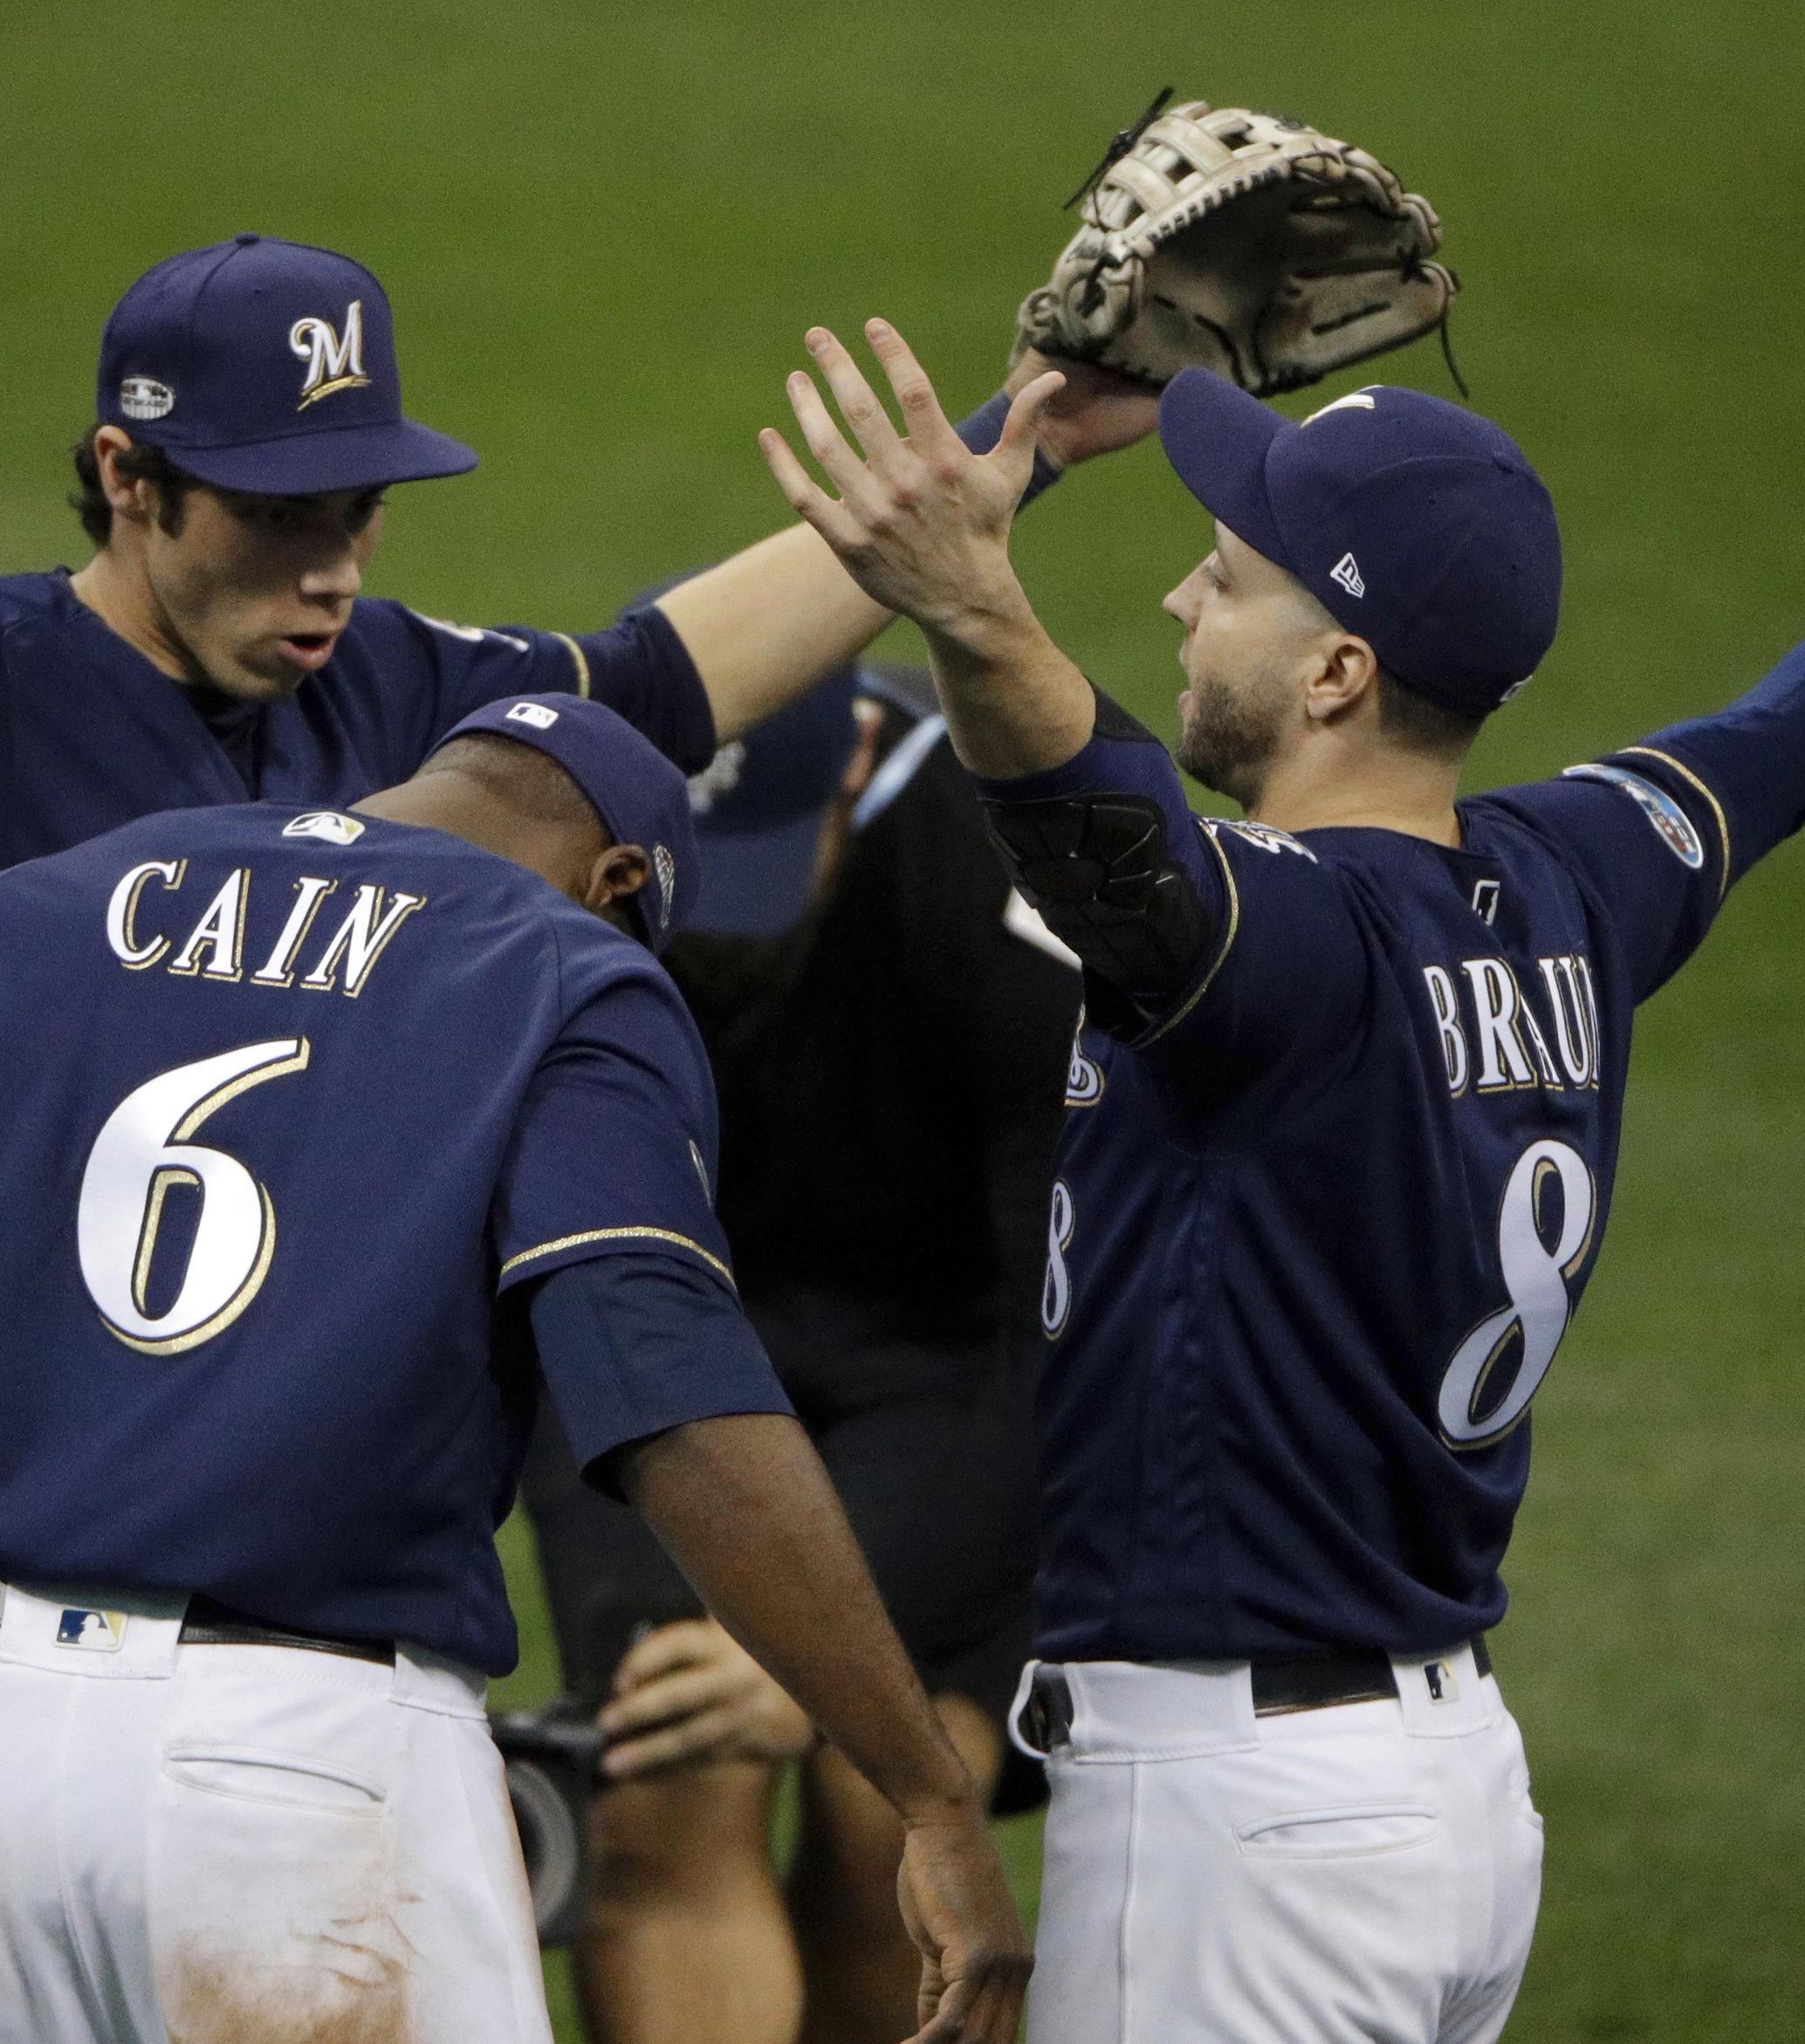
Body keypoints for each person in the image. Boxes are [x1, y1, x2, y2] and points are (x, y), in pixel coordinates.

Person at [0, 231, 1150, 1852]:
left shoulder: (397, 689)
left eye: (358, 509)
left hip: (284, 1517)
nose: (333, 567)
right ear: (128, 476)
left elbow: (667, 679)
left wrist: (1024, 438)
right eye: (281, 515)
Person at [0, 693, 1032, 2044]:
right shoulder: (561, 967)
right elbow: (667, 1397)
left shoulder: (14, 917)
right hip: (299, 1784)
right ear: (613, 879)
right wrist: (926, 1794)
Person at [757, 317, 1805, 2041]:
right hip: (1439, 1787)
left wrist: (963, 589)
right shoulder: (1576, 880)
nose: (1179, 600)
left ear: (1337, 675)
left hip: (1242, 1821)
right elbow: (1769, 736)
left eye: (1227, 578)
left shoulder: (1284, 953)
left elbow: (1085, 813)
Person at [520, 660, 1081, 2044]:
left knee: (885, 1788)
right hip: (652, 1317)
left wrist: (814, 1650)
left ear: (855, 767)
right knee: (665, 1775)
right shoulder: (545, 859)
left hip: (951, 1350)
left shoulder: (1009, 891)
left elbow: (1057, 1325)